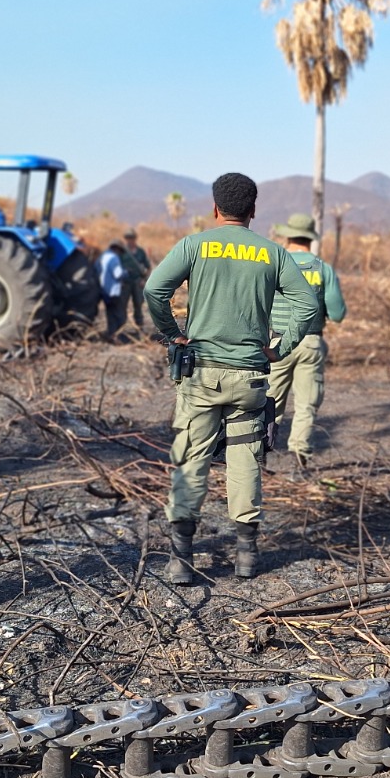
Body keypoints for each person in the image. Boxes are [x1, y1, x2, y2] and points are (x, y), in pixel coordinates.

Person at [145, 173, 319, 584]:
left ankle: (181, 560)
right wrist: (281, 346)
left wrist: (172, 333)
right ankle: (246, 558)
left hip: (200, 374)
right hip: (251, 377)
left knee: (191, 457)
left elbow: (155, 290)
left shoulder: (194, 245)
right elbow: (308, 305)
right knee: (245, 458)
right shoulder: (272, 253)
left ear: (215, 208)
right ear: (253, 211)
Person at [266, 213, 347, 478]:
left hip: (276, 343)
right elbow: (337, 313)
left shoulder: (274, 265)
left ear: (288, 236)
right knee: (306, 405)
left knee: (268, 402)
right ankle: (300, 466)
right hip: (310, 342)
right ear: (310, 239)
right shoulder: (322, 269)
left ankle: (258, 461)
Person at [120, 228, 152, 332]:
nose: (130, 240)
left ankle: (140, 326)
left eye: (132, 238)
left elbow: (148, 267)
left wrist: (144, 279)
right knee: (122, 305)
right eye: (128, 238)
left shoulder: (140, 252)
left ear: (135, 239)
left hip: (137, 282)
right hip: (125, 282)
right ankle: (121, 327)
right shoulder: (122, 252)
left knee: (138, 304)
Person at [97, 239, 128, 341]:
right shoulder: (114, 258)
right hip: (113, 290)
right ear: (117, 249)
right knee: (119, 314)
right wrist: (126, 273)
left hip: (104, 291)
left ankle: (111, 334)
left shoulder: (101, 257)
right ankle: (118, 336)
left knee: (110, 313)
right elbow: (118, 274)